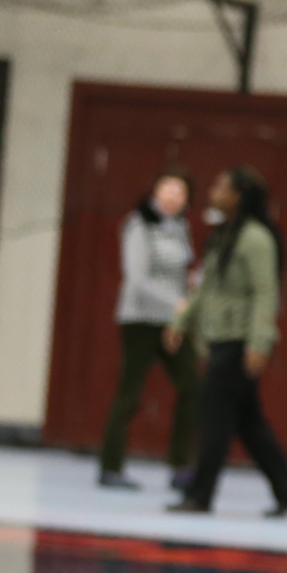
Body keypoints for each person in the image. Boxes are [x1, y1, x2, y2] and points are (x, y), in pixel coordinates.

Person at [165, 167, 287, 518]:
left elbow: (265, 294)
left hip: (238, 341)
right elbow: (204, 285)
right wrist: (180, 321)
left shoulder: (256, 239)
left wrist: (259, 343)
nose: (213, 191)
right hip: (219, 339)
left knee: (215, 419)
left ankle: (200, 494)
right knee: (247, 421)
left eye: (221, 186)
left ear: (238, 195)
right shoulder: (224, 234)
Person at [97, 173, 200, 491]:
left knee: (193, 386)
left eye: (180, 191)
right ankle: (111, 467)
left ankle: (180, 465)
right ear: (155, 192)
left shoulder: (181, 227)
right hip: (140, 319)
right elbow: (136, 278)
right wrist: (177, 302)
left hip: (172, 321)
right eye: (167, 189)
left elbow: (182, 269)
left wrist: (194, 288)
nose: (173, 196)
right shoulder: (138, 224)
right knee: (130, 391)